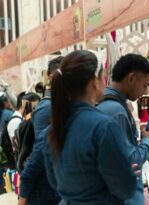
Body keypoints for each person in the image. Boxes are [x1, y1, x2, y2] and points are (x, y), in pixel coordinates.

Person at [22, 50, 138, 205]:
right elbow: (125, 189)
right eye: (103, 76)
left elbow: (54, 181)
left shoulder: (52, 131)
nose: (106, 81)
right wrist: (127, 174)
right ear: (94, 82)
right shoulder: (104, 127)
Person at [97, 53, 149, 205]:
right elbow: (131, 161)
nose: (145, 92)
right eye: (145, 85)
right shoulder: (116, 111)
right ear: (131, 78)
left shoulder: (110, 105)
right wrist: (148, 141)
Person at [18, 57, 64, 205]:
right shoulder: (47, 108)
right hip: (45, 193)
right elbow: (41, 155)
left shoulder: (60, 106)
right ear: (53, 77)